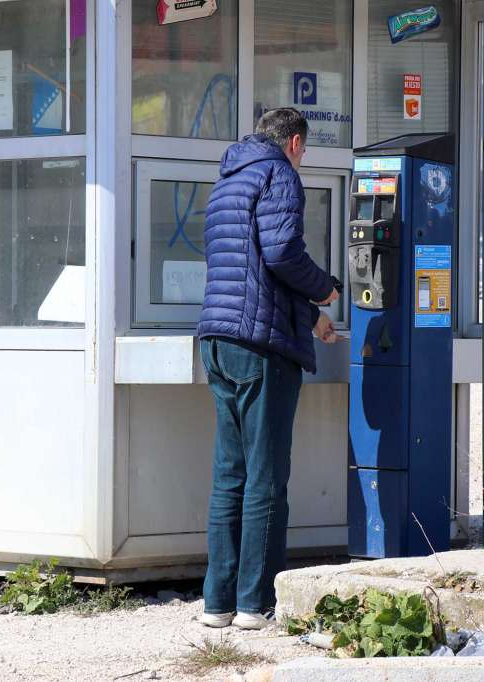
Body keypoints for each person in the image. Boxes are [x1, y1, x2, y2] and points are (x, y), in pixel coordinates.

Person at [196, 108, 340, 630]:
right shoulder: (280, 174)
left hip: (218, 339)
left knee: (229, 475)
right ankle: (257, 603)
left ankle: (218, 602)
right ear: (296, 142)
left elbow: (252, 275)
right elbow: (281, 253)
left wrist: (310, 319)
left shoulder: (229, 180)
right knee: (266, 476)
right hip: (261, 351)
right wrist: (325, 288)